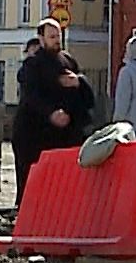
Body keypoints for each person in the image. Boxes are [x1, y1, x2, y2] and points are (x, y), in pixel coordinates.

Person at [12, 19, 95, 206]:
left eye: (58, 36)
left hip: (64, 134)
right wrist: (51, 113)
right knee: (33, 186)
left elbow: (88, 100)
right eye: (52, 37)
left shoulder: (68, 61)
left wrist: (79, 82)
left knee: (63, 187)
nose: (57, 40)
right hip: (34, 134)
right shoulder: (32, 65)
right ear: (41, 39)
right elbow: (31, 97)